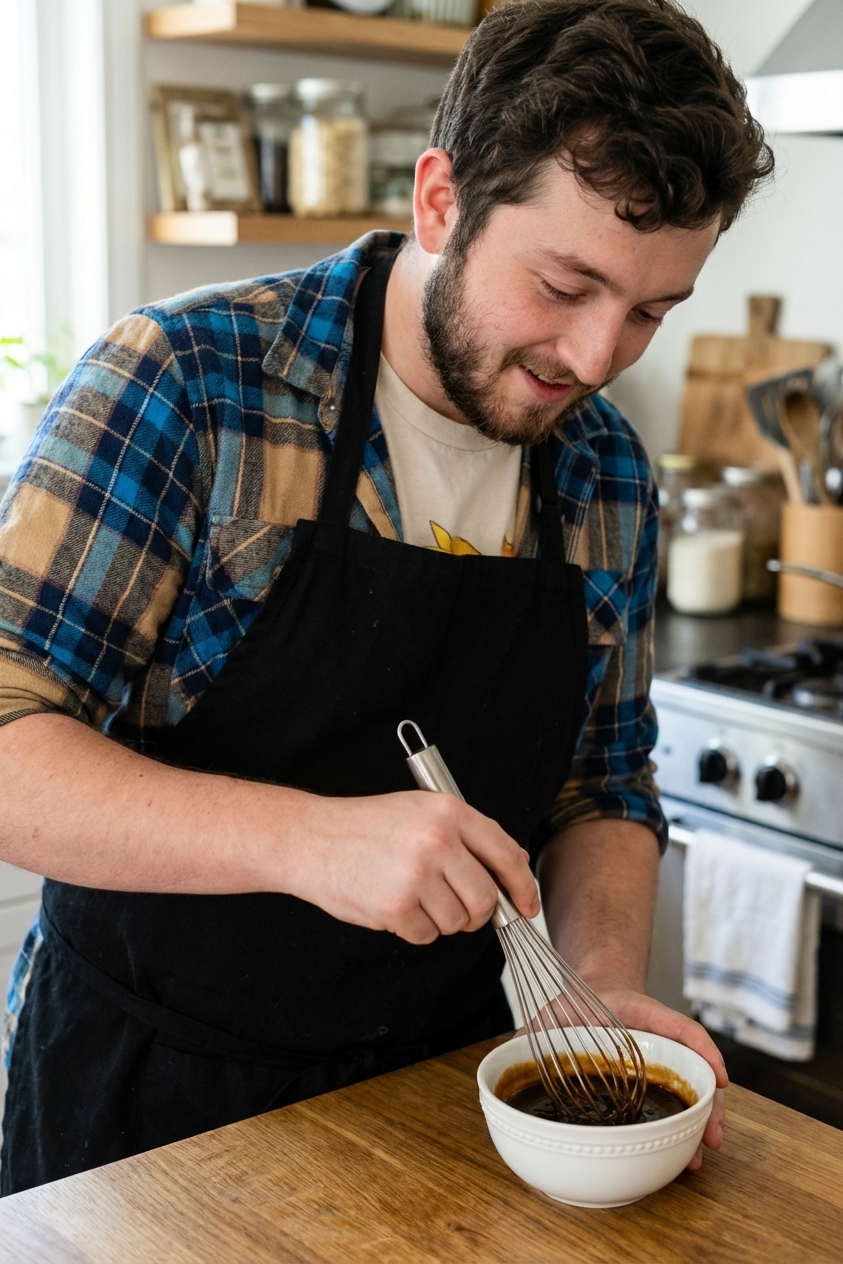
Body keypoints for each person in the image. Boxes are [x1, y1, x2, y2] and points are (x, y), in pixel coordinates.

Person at [0, 0, 772, 1194]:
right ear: (439, 201)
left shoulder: (608, 469)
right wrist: (308, 838)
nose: (595, 355)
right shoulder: (191, 385)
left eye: (651, 313)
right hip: (151, 1110)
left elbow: (600, 781)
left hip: (442, 1098)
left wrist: (597, 982)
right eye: (566, 285)